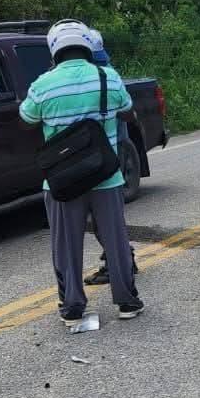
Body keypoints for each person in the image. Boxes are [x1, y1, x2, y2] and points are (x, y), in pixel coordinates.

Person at [20, 20, 144, 326]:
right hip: (106, 176)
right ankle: (127, 302)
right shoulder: (108, 77)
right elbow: (127, 109)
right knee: (115, 240)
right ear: (87, 46)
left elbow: (26, 118)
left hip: (62, 181)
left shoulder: (42, 84)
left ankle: (73, 306)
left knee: (66, 245)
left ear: (54, 51)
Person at [83, 28, 134, 287]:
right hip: (112, 151)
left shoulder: (102, 73)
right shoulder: (106, 72)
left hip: (103, 156)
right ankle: (124, 259)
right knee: (109, 217)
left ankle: (119, 262)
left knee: (102, 218)